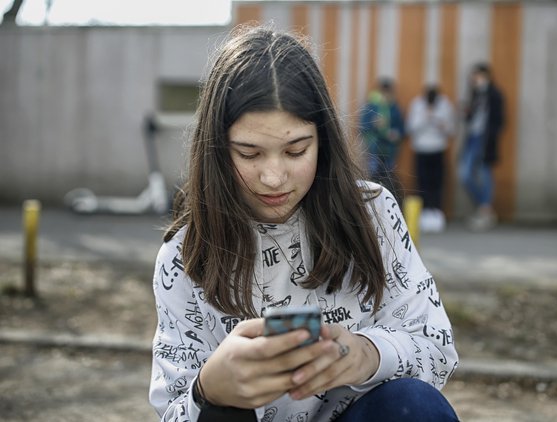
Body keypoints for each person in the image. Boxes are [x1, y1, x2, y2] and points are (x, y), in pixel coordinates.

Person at [149, 26, 459, 422]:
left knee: (413, 404)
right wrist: (207, 390)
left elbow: (438, 349)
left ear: (323, 141)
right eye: (249, 153)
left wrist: (368, 353)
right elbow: (171, 410)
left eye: (296, 150)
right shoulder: (184, 256)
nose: (274, 177)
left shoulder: (374, 214)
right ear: (215, 148)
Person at [458, 63, 504, 231]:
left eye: (477, 76)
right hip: (472, 138)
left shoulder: (494, 94)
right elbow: (470, 118)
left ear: (486, 76)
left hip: (485, 141)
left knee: (484, 174)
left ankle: (484, 211)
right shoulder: (474, 94)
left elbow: (499, 120)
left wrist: (490, 136)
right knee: (465, 175)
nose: (474, 79)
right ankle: (485, 208)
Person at [407, 85, 456, 233]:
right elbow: (410, 128)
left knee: (437, 182)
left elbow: (451, 129)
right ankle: (423, 214)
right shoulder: (417, 104)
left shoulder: (445, 105)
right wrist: (425, 117)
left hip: (438, 148)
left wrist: (439, 121)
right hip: (421, 149)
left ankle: (437, 213)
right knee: (422, 181)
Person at [358, 78, 405, 205]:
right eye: (383, 93)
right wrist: (375, 124)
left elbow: (402, 129)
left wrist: (395, 134)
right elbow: (363, 127)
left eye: (388, 93)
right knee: (373, 180)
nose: (386, 96)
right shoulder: (371, 106)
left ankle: (389, 205)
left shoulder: (395, 108)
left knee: (389, 179)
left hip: (389, 151)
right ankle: (373, 205)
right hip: (374, 150)